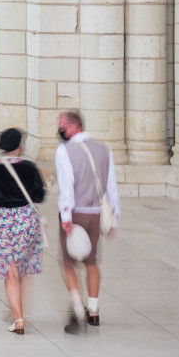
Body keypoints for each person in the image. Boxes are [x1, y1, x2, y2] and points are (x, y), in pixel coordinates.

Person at [54, 109, 119, 332]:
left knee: (68, 263)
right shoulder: (104, 149)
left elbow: (66, 187)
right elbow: (112, 187)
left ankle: (78, 308)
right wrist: (114, 218)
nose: (60, 129)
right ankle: (94, 310)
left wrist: (66, 216)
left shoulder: (65, 151)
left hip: (76, 214)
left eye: (63, 125)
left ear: (75, 126)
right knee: (92, 261)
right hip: (96, 214)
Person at [0, 127, 47, 334]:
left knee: (10, 271)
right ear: (19, 147)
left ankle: (18, 319)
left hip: (3, 222)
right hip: (26, 220)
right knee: (22, 268)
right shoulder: (29, 168)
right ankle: (18, 309)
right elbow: (39, 195)